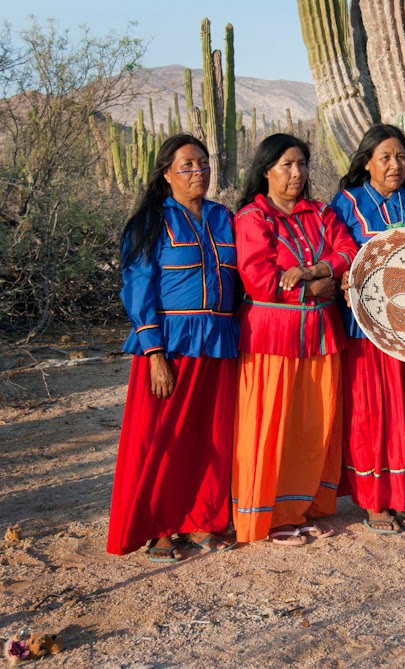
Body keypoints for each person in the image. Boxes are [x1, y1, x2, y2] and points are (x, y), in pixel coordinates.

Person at [108, 134, 239, 561]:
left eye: (203, 163)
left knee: (211, 437)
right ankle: (160, 526)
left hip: (219, 342)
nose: (198, 172)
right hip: (171, 346)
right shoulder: (150, 220)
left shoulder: (224, 218)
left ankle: (203, 517)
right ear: (166, 173)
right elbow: (138, 287)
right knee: (163, 439)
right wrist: (154, 355)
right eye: (186, 165)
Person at [231, 133, 358, 546]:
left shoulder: (320, 212)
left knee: (312, 424)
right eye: (286, 164)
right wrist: (319, 288)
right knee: (273, 425)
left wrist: (312, 270)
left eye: (301, 163)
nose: (297, 173)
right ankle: (270, 513)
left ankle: (303, 506)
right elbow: (260, 279)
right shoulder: (253, 217)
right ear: (266, 169)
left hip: (321, 334)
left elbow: (348, 252)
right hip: (273, 336)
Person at [330, 124, 405, 534]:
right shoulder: (346, 203)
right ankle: (374, 501)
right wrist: (341, 274)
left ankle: (399, 496)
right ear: (366, 162)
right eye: (385, 157)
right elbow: (338, 252)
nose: (395, 165)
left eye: (401, 157)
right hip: (367, 329)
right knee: (371, 413)